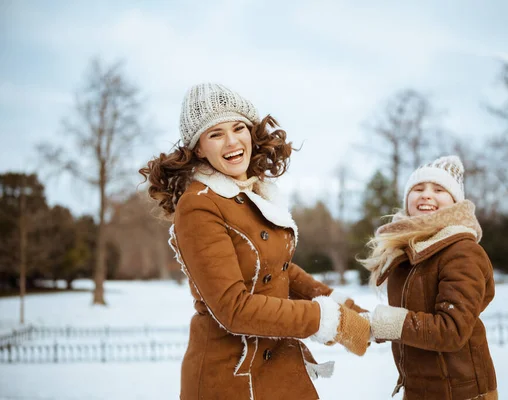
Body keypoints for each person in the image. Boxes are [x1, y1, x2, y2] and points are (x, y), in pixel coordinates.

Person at [140, 83, 370, 400]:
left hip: (278, 366)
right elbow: (233, 308)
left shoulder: (253, 194)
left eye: (239, 128)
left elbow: (279, 270)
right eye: (216, 134)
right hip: (232, 378)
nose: (233, 141)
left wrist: (352, 310)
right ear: (198, 148)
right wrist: (328, 320)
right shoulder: (198, 205)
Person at [361, 155, 498, 399]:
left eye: (438, 189)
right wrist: (367, 325)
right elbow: (410, 317)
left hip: (461, 394)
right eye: (418, 188)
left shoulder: (462, 251)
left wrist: (385, 323)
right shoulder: (409, 252)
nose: (426, 195)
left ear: (455, 202)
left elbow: (451, 329)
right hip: (419, 391)